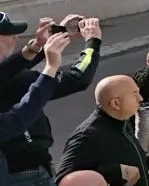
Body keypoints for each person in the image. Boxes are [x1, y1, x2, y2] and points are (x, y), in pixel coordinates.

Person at [0, 16, 103, 186]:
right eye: (9, 33)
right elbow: (78, 79)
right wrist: (93, 42)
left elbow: (5, 70)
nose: (16, 37)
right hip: (26, 173)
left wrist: (38, 46)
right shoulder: (21, 81)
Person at [58, 74, 149, 186]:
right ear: (115, 103)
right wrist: (117, 172)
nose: (140, 98)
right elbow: (65, 181)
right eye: (134, 94)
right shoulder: (87, 136)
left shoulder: (121, 120)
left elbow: (121, 156)